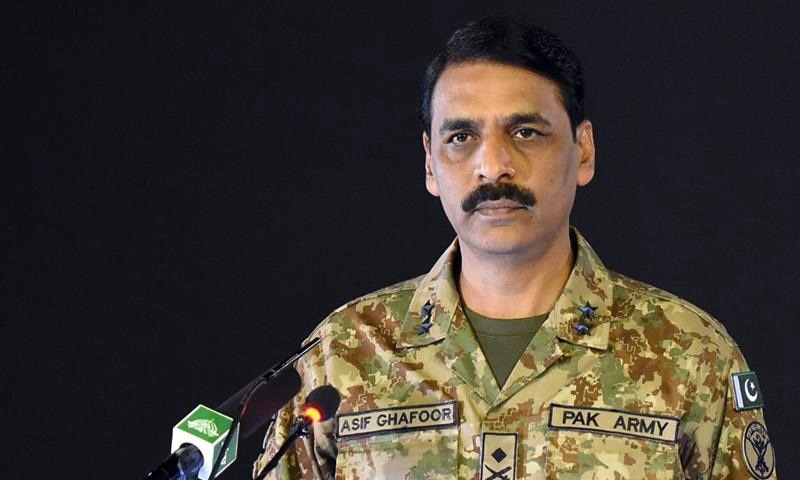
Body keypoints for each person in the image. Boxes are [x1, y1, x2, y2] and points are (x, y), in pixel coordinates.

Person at [253, 16, 776, 480]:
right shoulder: (342, 355)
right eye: (461, 137)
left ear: (584, 150)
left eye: (525, 132)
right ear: (430, 164)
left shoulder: (690, 354)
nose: (492, 166)